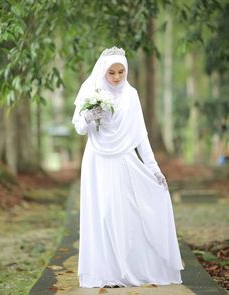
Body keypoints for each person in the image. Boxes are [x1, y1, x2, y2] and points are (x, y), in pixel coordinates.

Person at [72, 46, 183, 288]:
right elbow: (79, 126)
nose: (116, 77)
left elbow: (141, 136)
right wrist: (89, 117)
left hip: (123, 160)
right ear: (103, 71)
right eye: (111, 72)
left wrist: (154, 168)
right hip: (97, 160)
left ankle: (125, 270)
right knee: (102, 214)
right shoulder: (92, 90)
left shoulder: (131, 95)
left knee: (123, 212)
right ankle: (105, 272)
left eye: (121, 72)